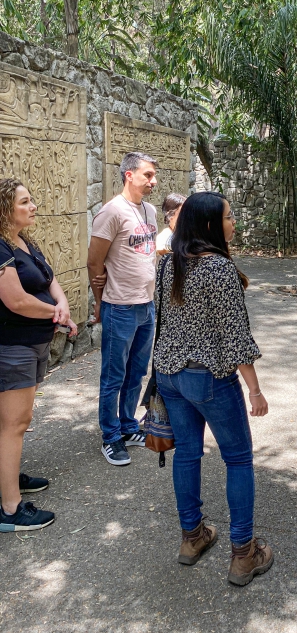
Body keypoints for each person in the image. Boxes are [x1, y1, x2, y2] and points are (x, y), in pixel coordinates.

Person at [154, 191, 274, 586]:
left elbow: (162, 322)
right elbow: (237, 338)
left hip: (170, 375)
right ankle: (244, 553)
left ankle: (193, 538)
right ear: (209, 224)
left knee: (187, 454)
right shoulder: (218, 269)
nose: (233, 222)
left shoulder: (168, 264)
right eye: (228, 216)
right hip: (208, 377)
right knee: (238, 459)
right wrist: (255, 390)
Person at [0, 178, 78, 532]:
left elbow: (49, 281)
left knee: (15, 422)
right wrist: (54, 313)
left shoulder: (24, 243)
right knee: (14, 423)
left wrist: (61, 305)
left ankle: (9, 478)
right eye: (25, 202)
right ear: (5, 208)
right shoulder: (1, 249)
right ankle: (10, 509)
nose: (33, 206)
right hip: (12, 345)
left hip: (34, 343)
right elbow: (15, 300)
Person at [87, 152, 158, 466]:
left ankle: (128, 426)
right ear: (129, 175)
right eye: (147, 175)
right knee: (113, 376)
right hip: (120, 307)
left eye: (153, 175)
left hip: (146, 307)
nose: (153, 181)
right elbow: (94, 261)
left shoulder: (150, 211)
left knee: (137, 373)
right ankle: (110, 436)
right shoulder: (112, 211)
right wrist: (100, 301)